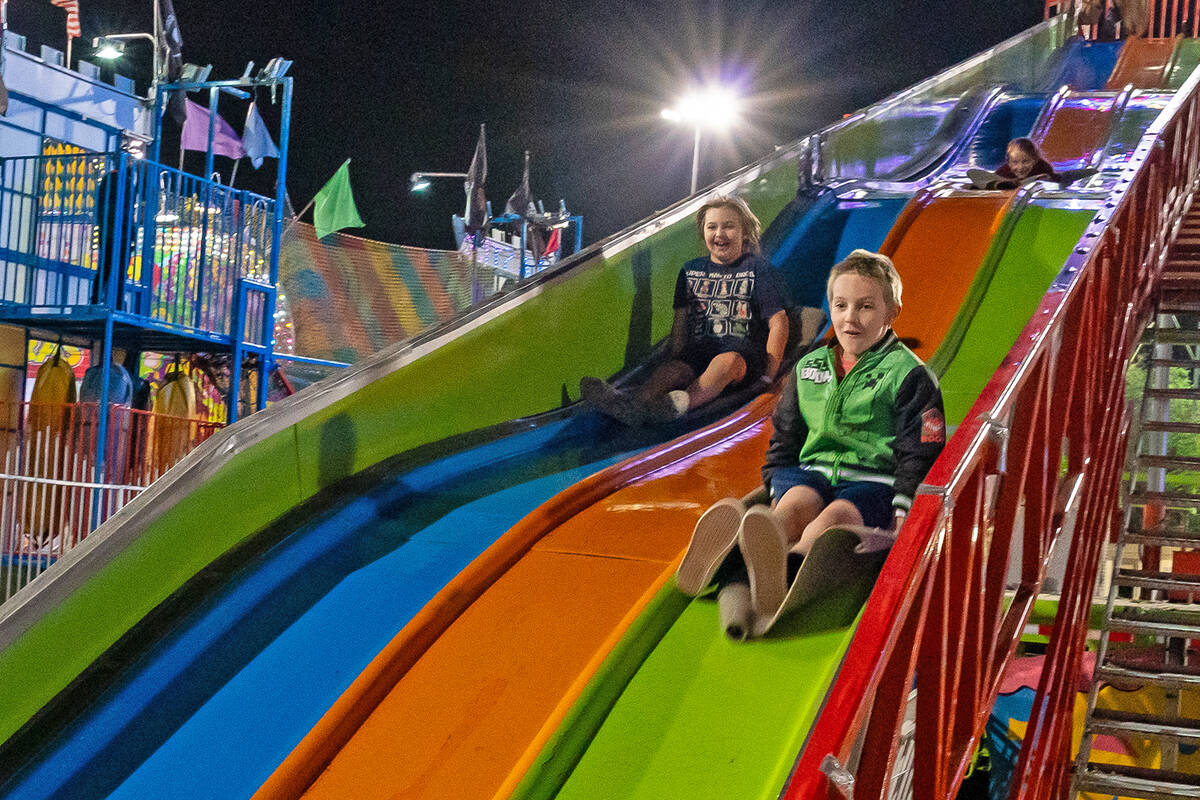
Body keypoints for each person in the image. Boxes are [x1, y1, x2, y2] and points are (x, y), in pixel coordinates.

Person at [675, 249, 945, 635]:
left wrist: (904, 509)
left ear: (892, 313)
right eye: (841, 305)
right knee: (794, 506)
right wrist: (774, 483)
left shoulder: (907, 375)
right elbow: (786, 435)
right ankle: (760, 547)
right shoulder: (810, 367)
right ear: (830, 307)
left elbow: (920, 449)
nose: (851, 317)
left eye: (866, 307)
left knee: (830, 523)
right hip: (811, 471)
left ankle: (778, 568)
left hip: (873, 483)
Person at [582, 194, 789, 425]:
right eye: (712, 227)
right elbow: (680, 323)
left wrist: (769, 375)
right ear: (703, 233)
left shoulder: (758, 270)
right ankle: (634, 404)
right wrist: (676, 357)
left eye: (729, 226)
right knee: (674, 370)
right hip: (700, 350)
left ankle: (680, 404)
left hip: (743, 355)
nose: (719, 234)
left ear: (745, 231)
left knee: (725, 363)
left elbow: (778, 322)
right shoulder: (691, 271)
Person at [992, 137, 1060, 189]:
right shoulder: (1003, 172)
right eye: (1015, 162)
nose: (1020, 167)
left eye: (1026, 161)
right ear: (1009, 163)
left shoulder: (1043, 168)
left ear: (1035, 160)